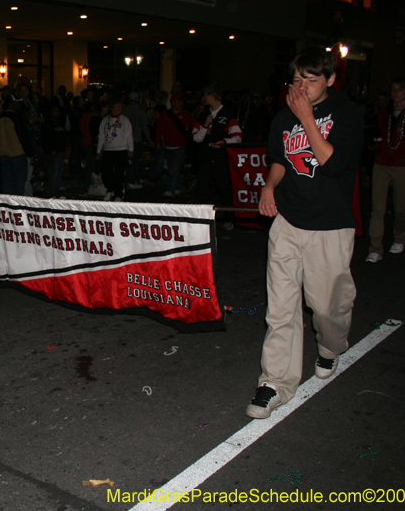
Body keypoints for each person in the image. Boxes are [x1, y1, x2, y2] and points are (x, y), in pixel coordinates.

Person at [246, 47, 363, 419]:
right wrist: (269, 186)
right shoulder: (283, 117)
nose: (300, 87)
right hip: (289, 221)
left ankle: (331, 347)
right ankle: (275, 382)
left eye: (309, 80)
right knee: (281, 308)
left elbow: (332, 164)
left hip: (329, 225)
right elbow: (280, 159)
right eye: (295, 80)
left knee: (327, 308)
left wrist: (307, 118)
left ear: (329, 79)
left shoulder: (347, 113)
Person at [365, 77, 405, 262]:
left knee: (400, 207)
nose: (395, 93)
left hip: (404, 165)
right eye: (393, 89)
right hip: (382, 163)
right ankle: (375, 247)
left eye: (400, 89)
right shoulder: (384, 113)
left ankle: (400, 237)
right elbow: (373, 136)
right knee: (378, 208)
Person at [192, 83, 242, 229]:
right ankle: (201, 221)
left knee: (224, 190)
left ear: (211, 95)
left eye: (205, 95)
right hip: (205, 158)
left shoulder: (227, 114)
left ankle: (230, 219)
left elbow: (238, 136)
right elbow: (196, 138)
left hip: (221, 158)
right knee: (203, 191)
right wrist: (205, 125)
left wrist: (224, 142)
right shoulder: (203, 114)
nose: (203, 98)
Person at [153, 94, 195, 197]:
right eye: (180, 101)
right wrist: (158, 142)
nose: (181, 103)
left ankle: (170, 190)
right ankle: (179, 187)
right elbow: (159, 129)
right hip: (168, 147)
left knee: (175, 169)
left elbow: (192, 125)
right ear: (174, 102)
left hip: (180, 146)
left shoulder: (185, 114)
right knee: (172, 170)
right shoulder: (165, 115)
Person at [96, 100, 133, 202]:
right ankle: (110, 189)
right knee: (106, 173)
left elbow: (129, 135)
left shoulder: (125, 120)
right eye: (117, 106)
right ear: (112, 108)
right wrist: (99, 150)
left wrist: (131, 149)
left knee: (119, 173)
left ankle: (119, 193)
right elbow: (101, 136)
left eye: (121, 106)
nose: (119, 109)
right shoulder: (105, 120)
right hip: (108, 150)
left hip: (121, 149)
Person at [0, 96, 33, 195]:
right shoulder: (17, 118)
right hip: (18, 154)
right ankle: (16, 206)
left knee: (7, 184)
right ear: (11, 105)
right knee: (19, 184)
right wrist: (31, 154)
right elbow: (24, 137)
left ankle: (9, 206)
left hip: (3, 154)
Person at [122, 91, 155, 189]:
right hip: (136, 140)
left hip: (124, 141)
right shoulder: (140, 112)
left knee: (125, 161)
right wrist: (149, 140)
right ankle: (130, 180)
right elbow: (144, 127)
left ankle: (124, 179)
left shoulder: (124, 111)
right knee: (134, 162)